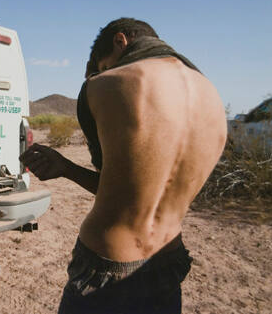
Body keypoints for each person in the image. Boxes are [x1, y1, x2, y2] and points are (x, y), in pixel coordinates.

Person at [19, 18, 227, 314]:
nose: (105, 72)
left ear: (121, 41)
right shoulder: (212, 95)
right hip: (168, 261)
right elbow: (138, 190)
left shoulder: (104, 85)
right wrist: (66, 167)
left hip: (104, 267)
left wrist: (66, 167)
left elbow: (109, 187)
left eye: (105, 65)